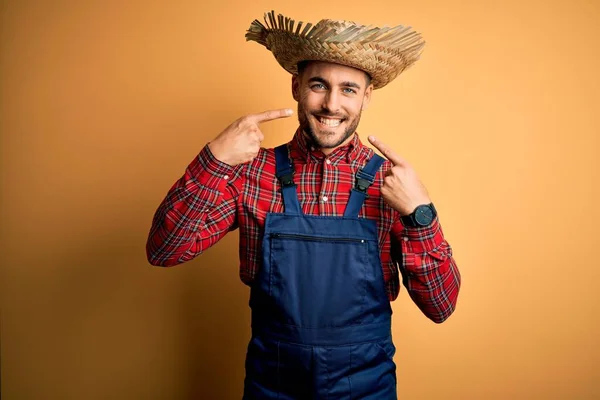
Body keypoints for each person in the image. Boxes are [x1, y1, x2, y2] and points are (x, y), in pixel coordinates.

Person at [146, 10, 461, 399]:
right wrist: (215, 160)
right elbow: (164, 250)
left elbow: (441, 306)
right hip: (273, 384)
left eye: (348, 88)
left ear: (366, 96)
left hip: (365, 386)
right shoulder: (252, 172)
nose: (331, 104)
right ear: (296, 86)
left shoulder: (393, 184)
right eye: (318, 85)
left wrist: (420, 214)